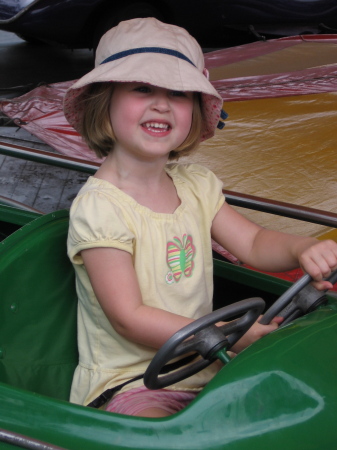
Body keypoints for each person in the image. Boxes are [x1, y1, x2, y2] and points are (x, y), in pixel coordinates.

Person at [64, 17, 337, 418]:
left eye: (178, 92)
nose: (161, 104)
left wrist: (302, 247)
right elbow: (128, 317)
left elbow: (254, 244)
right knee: (161, 436)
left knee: (298, 403)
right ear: (103, 102)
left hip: (210, 364)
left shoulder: (196, 185)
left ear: (194, 109)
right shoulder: (100, 208)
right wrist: (229, 336)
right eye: (142, 88)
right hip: (133, 382)